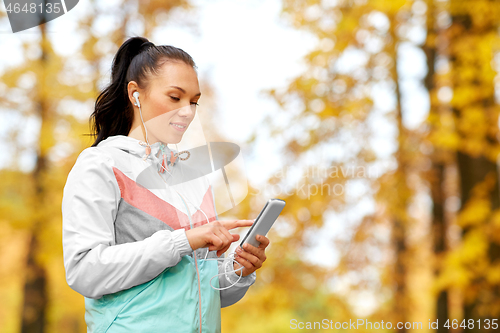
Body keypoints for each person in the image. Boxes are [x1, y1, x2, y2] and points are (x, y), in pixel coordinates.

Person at [61, 36, 270, 333]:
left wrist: (238, 269)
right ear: (135, 94)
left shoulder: (195, 178)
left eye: (194, 101)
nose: (187, 111)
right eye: (175, 97)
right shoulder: (101, 165)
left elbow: (202, 289)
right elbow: (85, 271)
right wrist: (184, 240)